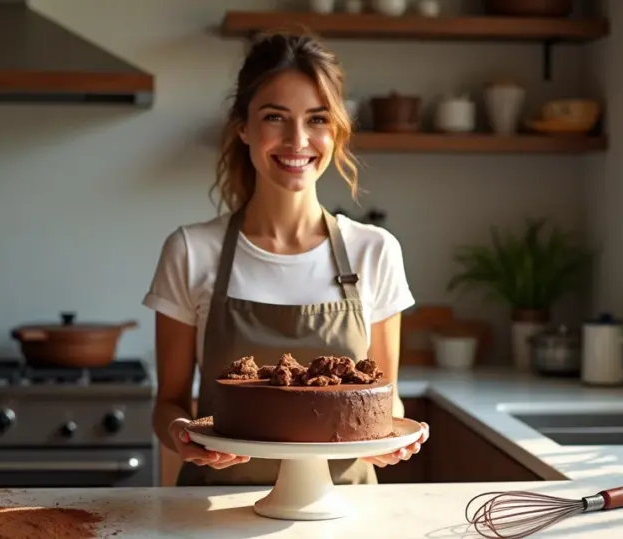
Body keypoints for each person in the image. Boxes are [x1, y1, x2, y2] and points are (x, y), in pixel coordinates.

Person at [143, 31, 428, 487]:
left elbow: (385, 397)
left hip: (345, 512)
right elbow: (169, 405)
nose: (298, 140)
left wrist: (392, 433)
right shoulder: (191, 251)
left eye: (317, 119)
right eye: (275, 117)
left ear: (336, 130)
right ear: (243, 126)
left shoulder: (374, 251)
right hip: (216, 511)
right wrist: (181, 434)